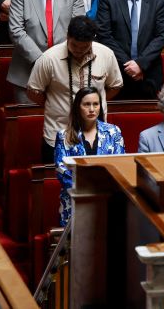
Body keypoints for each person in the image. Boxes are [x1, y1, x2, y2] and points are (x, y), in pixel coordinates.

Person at [27, 15, 122, 163]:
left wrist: (92, 103)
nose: (78, 50)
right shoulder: (49, 59)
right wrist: (55, 103)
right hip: (57, 136)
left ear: (92, 41)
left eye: (84, 47)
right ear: (67, 37)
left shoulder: (106, 55)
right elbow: (34, 92)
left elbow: (115, 86)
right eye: (74, 45)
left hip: (97, 139)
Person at [8, 0, 87, 104]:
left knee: (63, 125)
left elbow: (78, 30)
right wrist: (42, 61)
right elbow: (16, 31)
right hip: (27, 74)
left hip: (65, 70)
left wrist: (57, 61)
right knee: (29, 125)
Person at [95, 0, 164, 100]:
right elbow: (105, 35)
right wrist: (129, 66)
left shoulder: (157, 1)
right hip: (117, 71)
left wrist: (140, 64)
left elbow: (162, 35)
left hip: (148, 73)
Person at [54, 87, 125, 224]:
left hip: (107, 200)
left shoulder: (113, 132)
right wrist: (90, 192)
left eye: (96, 104)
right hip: (75, 202)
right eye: (86, 104)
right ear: (78, 107)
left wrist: (101, 192)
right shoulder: (63, 136)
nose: (92, 109)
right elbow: (62, 171)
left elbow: (119, 165)